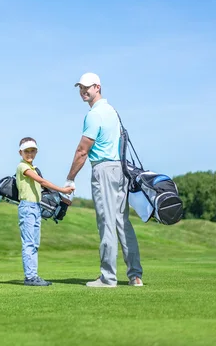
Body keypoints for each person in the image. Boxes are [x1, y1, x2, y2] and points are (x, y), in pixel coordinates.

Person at [65, 73, 144, 288]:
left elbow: (83, 150)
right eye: (80, 88)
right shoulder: (112, 111)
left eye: (87, 87)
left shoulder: (94, 115)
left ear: (97, 87)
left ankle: (108, 278)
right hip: (121, 170)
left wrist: (70, 178)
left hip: (104, 169)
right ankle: (135, 276)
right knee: (122, 222)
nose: (83, 91)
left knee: (106, 223)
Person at [16, 137, 75, 286]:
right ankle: (30, 277)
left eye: (32, 151)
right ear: (20, 152)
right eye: (26, 151)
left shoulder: (33, 168)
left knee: (35, 243)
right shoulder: (23, 167)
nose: (30, 154)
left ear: (36, 152)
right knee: (29, 243)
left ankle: (33, 275)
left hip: (36, 207)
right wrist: (63, 190)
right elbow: (42, 182)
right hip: (27, 207)